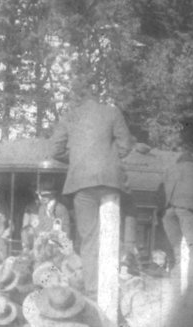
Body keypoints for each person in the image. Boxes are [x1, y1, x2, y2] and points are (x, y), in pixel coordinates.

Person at [51, 81, 135, 299]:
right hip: (111, 182)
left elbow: (55, 149)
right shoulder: (112, 112)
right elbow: (126, 146)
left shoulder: (70, 116)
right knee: (112, 233)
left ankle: (93, 292)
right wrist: (108, 158)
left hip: (81, 183)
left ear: (77, 97)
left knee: (89, 239)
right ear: (97, 95)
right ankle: (114, 287)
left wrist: (78, 158)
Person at [159, 150, 193, 271]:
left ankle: (176, 286)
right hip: (191, 211)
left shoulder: (170, 169)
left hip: (169, 213)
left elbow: (160, 192)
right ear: (192, 161)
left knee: (177, 253)